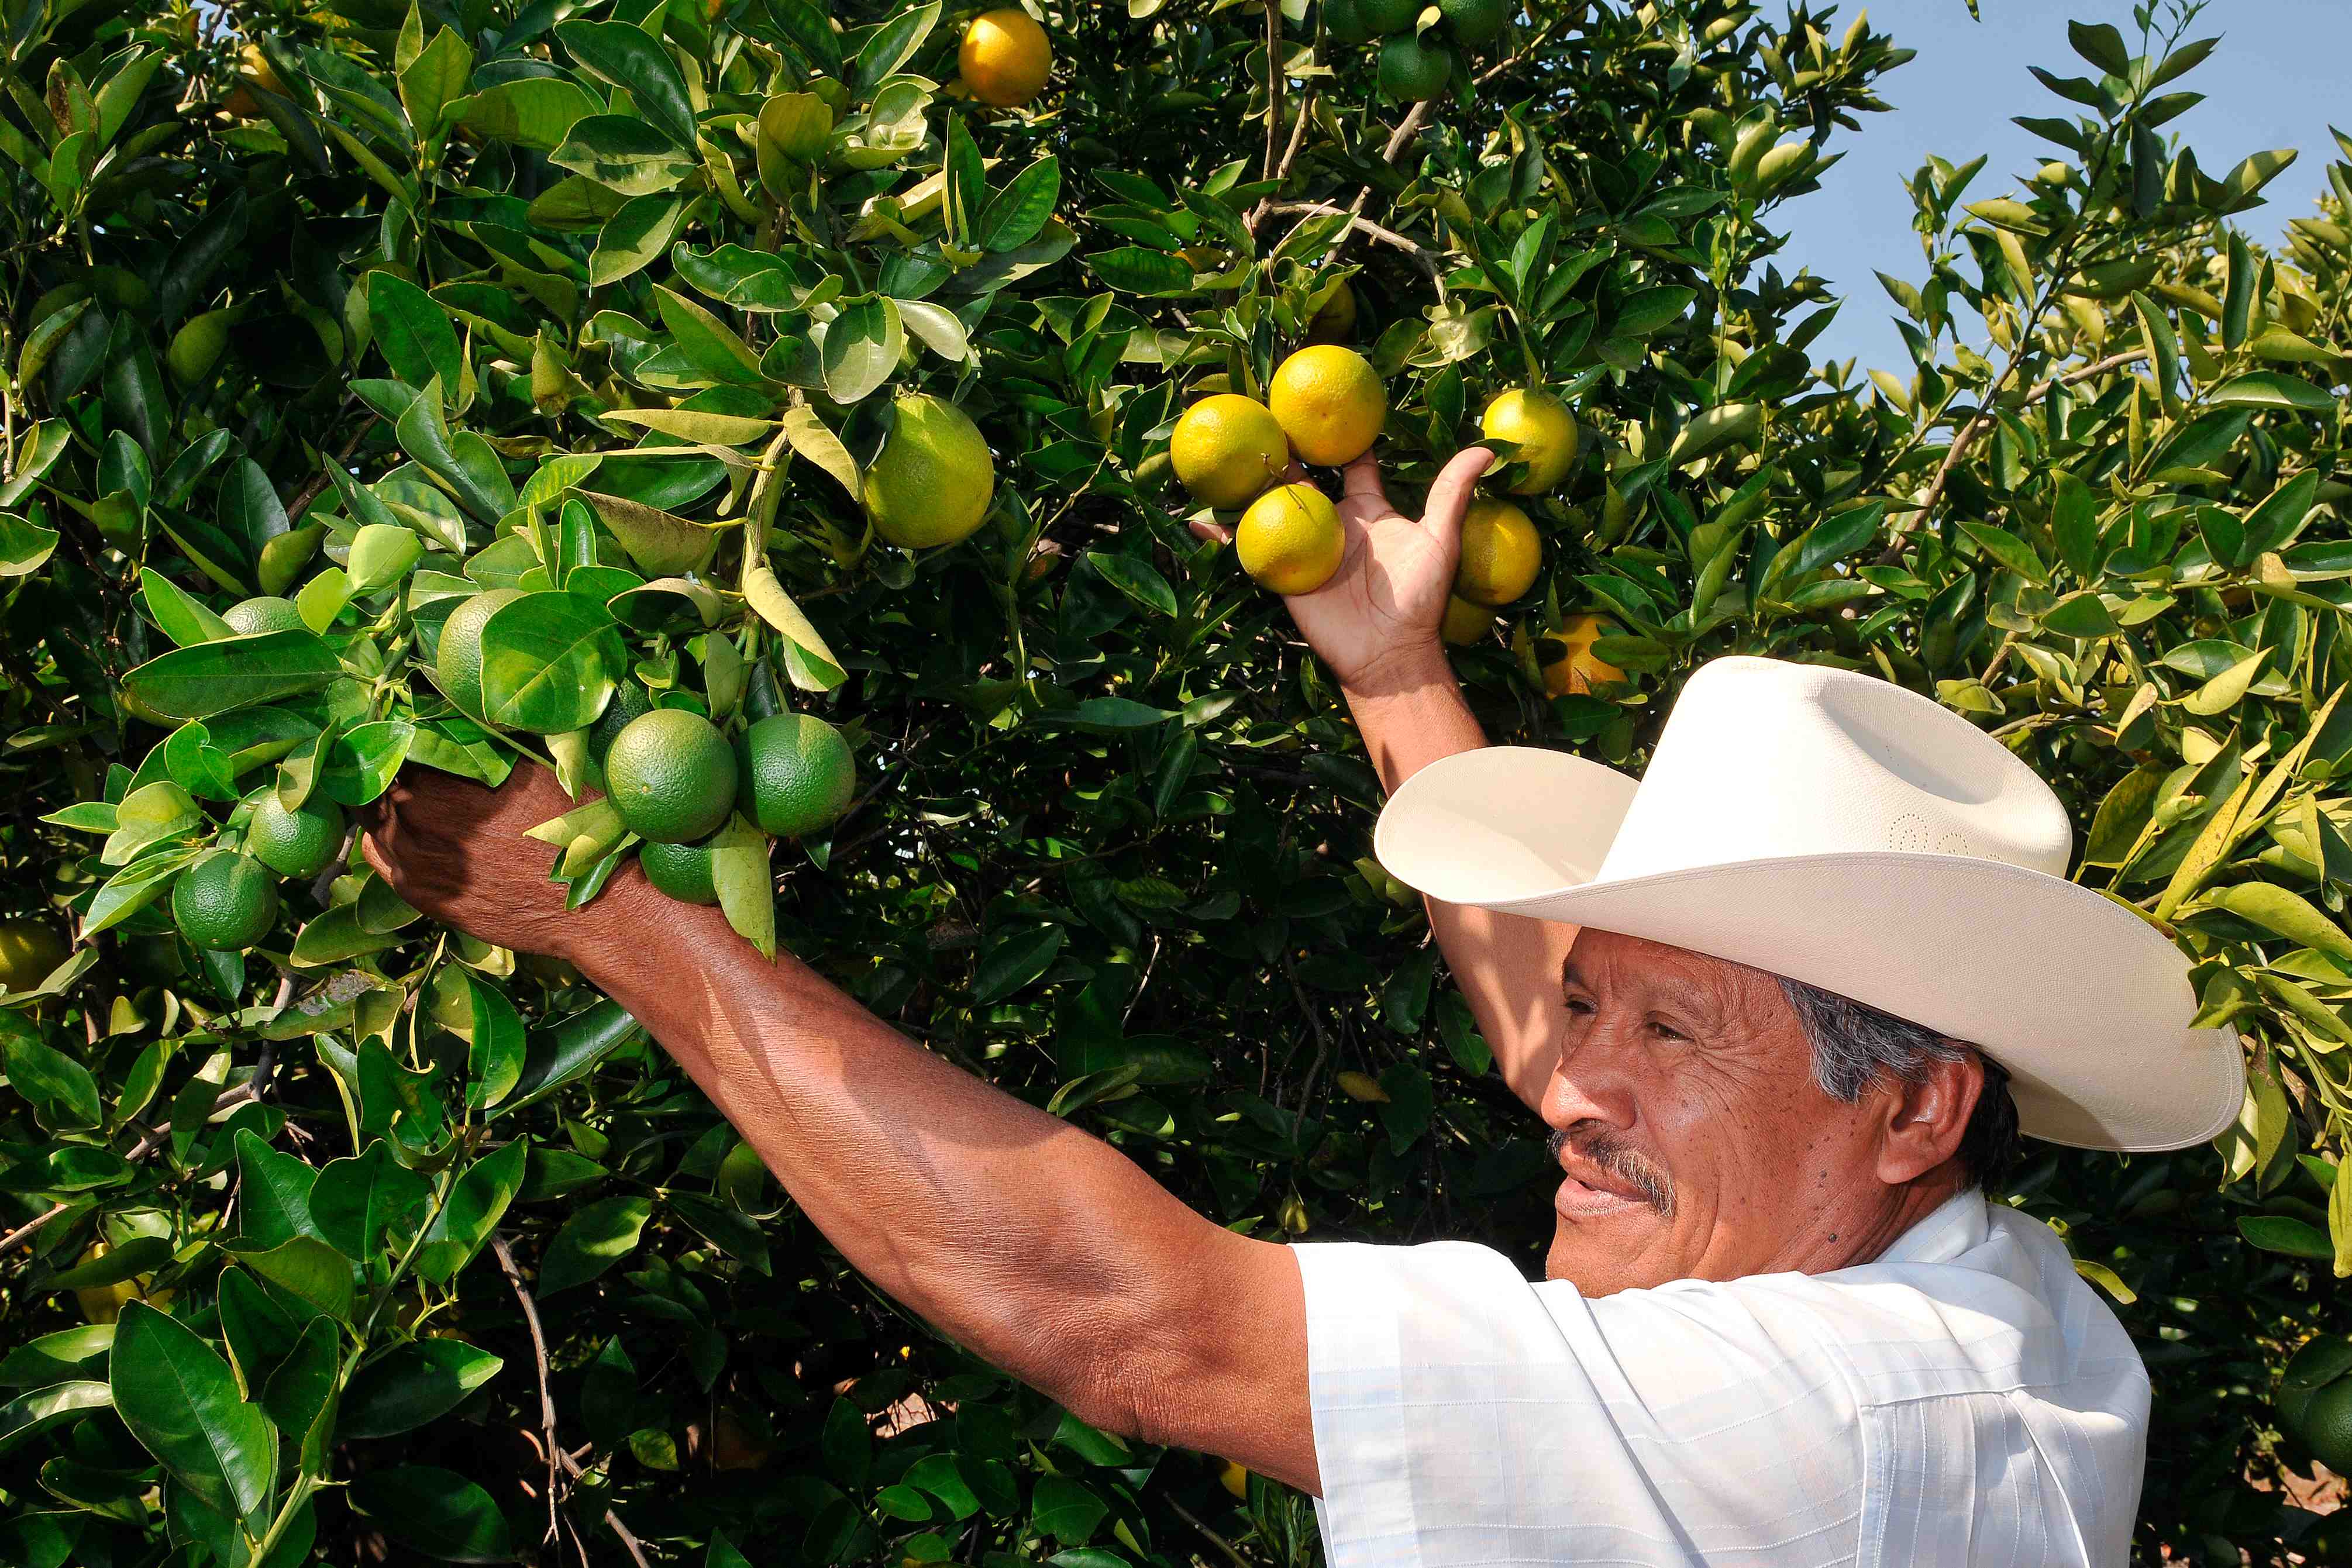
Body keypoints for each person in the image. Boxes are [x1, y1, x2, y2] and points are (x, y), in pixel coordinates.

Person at [362, 446, 2244, 1567]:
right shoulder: (1970, 1286)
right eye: (1601, 1001)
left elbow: (1130, 1320)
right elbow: (1563, 1062)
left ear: (1915, 1105)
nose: (1576, 1080)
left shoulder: (1841, 1422)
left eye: (1668, 1032)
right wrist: (1396, 665)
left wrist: (614, 918)